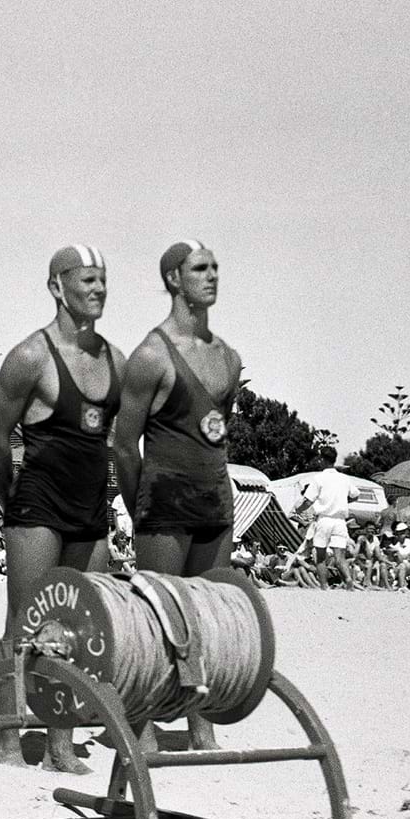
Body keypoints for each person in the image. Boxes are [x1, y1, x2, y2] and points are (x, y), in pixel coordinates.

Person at [0, 244, 122, 773]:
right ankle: (8, 742)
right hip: (37, 505)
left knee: (77, 629)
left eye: (103, 280)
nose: (98, 289)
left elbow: (119, 440)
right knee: (25, 626)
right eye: (87, 280)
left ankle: (59, 748)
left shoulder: (116, 360)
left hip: (90, 510)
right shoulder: (30, 357)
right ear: (57, 287)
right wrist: (11, 501)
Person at [115, 240, 245, 749]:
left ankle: (201, 728)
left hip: (215, 500)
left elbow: (216, 432)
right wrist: (140, 508)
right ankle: (143, 728)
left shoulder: (229, 358)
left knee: (207, 618)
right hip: (164, 501)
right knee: (159, 619)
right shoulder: (151, 356)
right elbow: (124, 444)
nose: (212, 276)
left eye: (215, 267)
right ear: (173, 278)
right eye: (199, 269)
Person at [294, 448, 361, 590]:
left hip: (324, 519)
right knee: (340, 556)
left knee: (320, 556)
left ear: (321, 459)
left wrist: (298, 510)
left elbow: (308, 501)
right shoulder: (344, 478)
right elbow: (356, 495)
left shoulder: (318, 478)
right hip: (340, 521)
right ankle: (348, 579)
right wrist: (344, 502)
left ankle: (324, 586)